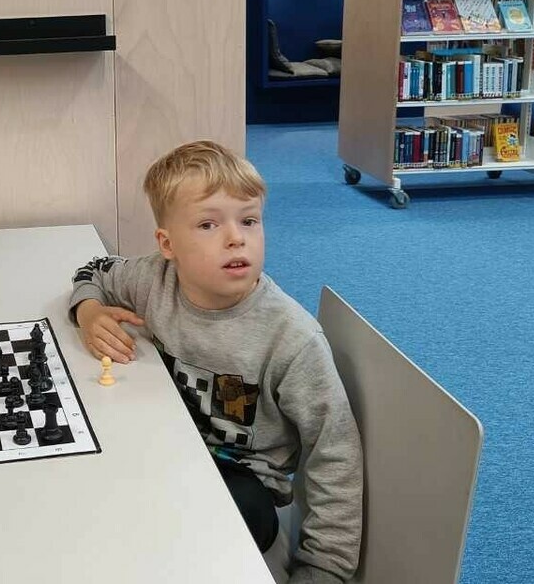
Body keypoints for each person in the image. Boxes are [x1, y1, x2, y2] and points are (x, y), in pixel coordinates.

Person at [69, 140, 361, 584]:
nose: (236, 238)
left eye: (249, 220)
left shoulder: (292, 338)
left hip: (243, 481)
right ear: (167, 244)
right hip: (167, 446)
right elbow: (92, 271)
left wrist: (325, 568)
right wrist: (88, 310)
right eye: (208, 224)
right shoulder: (152, 279)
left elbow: (335, 452)